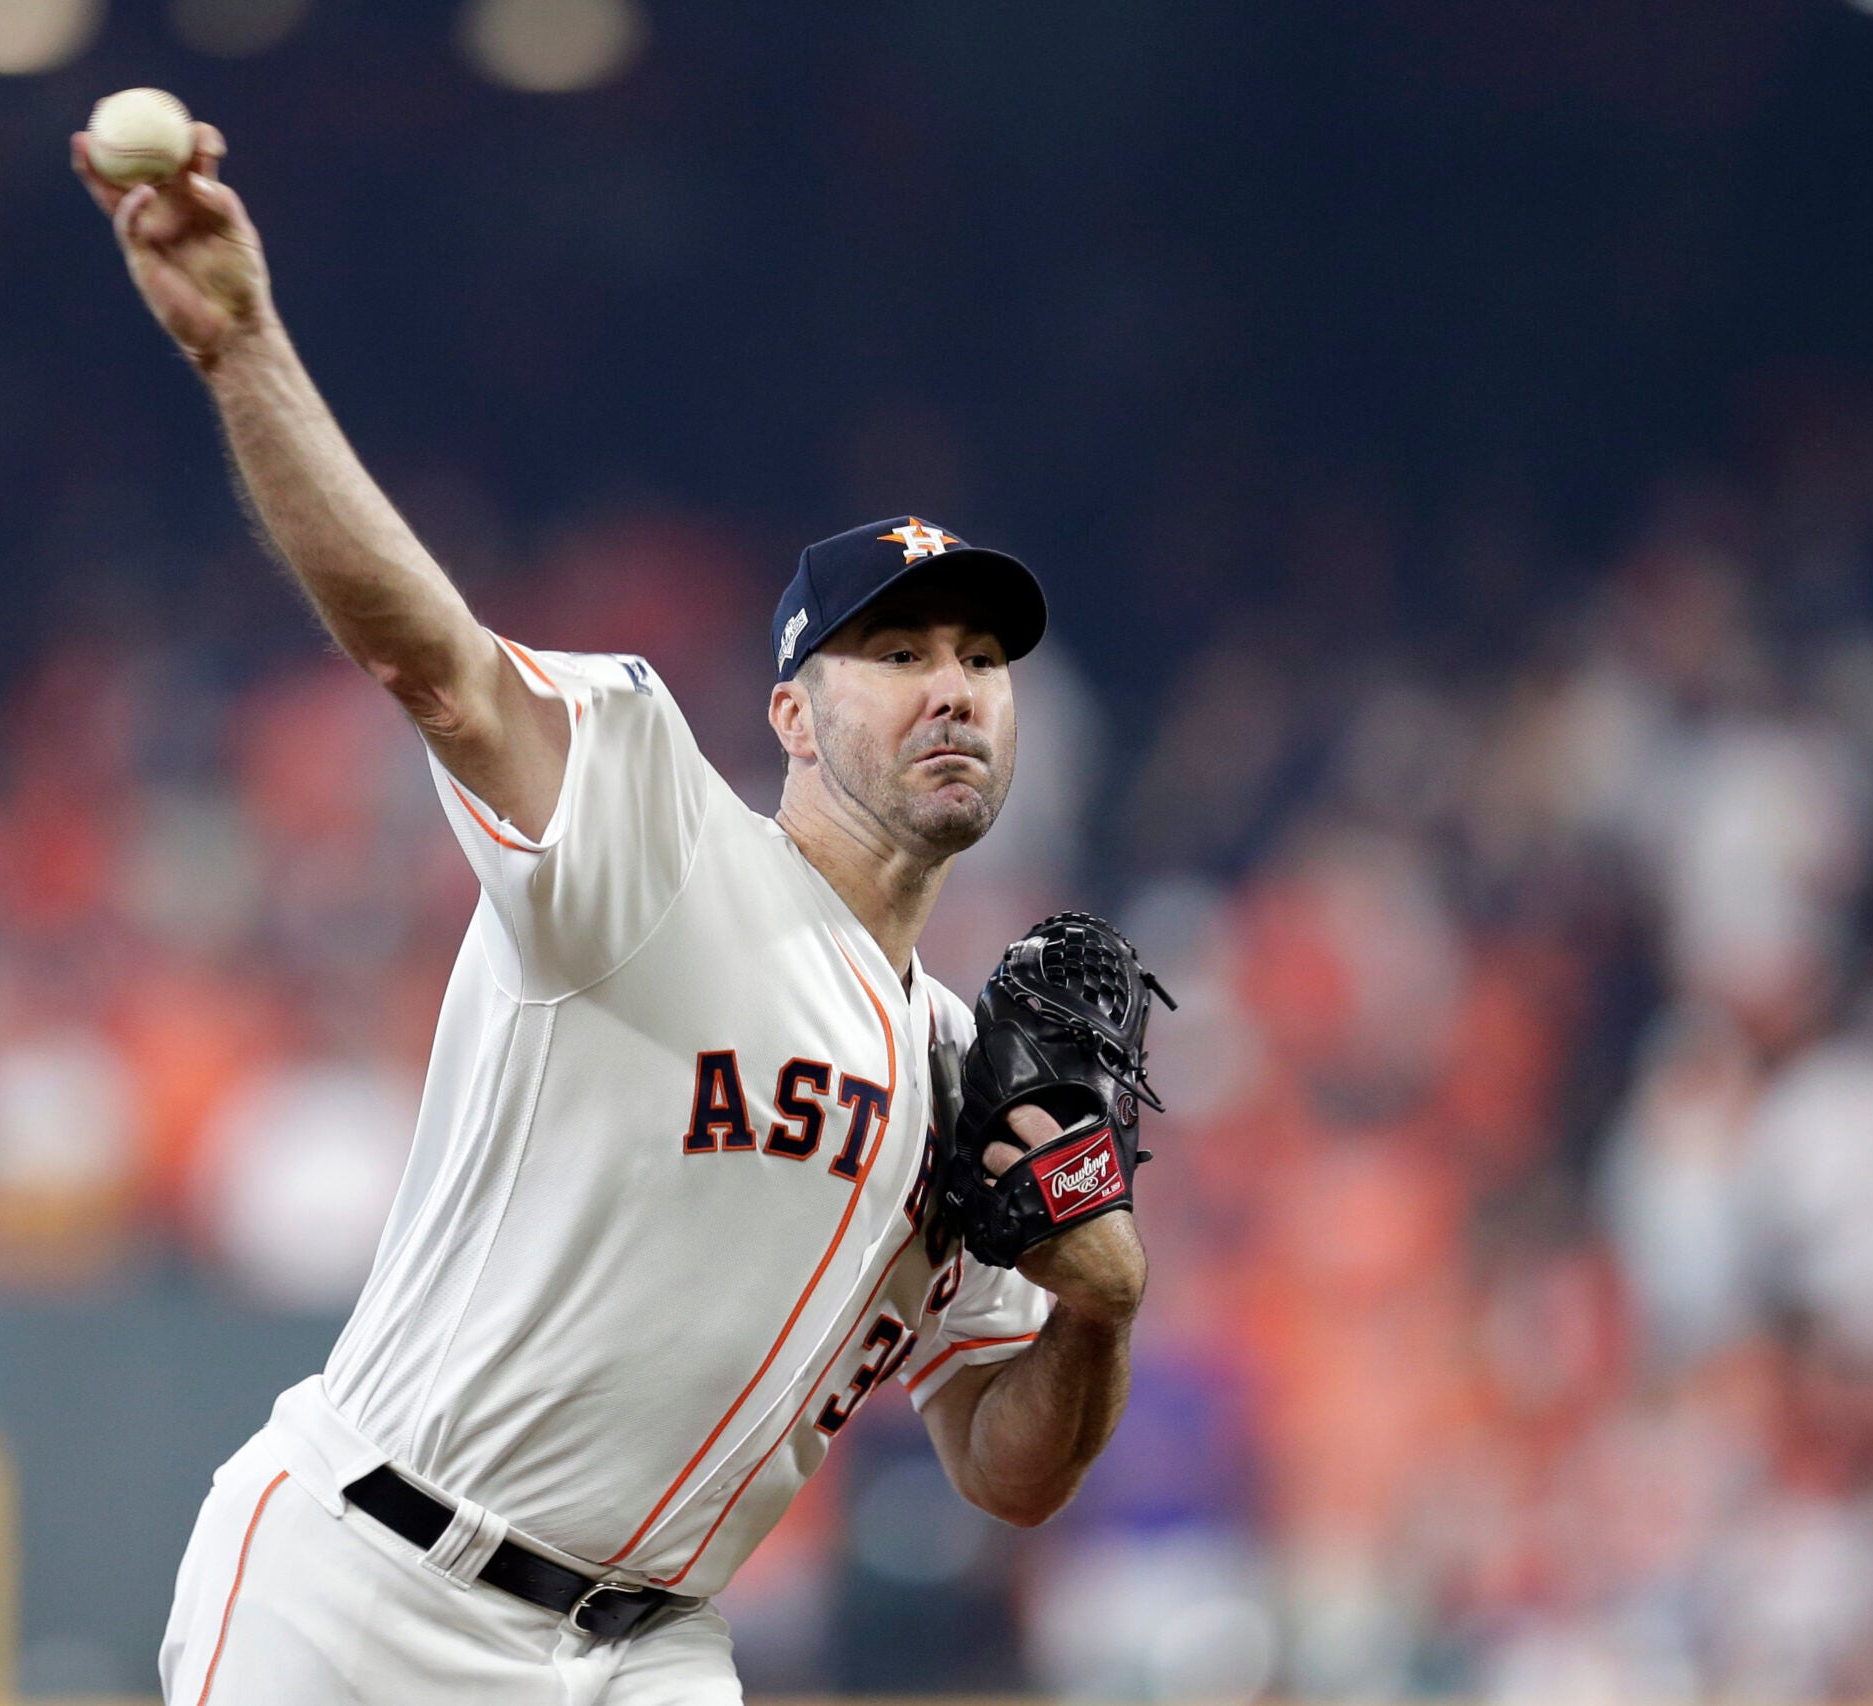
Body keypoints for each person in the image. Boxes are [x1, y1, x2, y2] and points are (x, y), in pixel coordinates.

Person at [75, 120, 1147, 1704]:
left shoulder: (973, 1072)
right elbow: (428, 656)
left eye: (983, 662)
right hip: (368, 1582)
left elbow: (1006, 1466)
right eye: (901, 652)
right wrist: (243, 350)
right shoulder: (654, 834)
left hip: (648, 1649)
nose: (954, 691)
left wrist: (1096, 1308)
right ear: (790, 710)